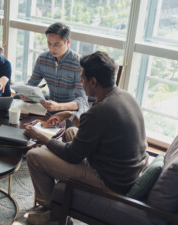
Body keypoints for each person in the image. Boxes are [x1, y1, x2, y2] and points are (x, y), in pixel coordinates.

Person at [23, 51, 149, 225]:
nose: (81, 82)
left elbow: (72, 155)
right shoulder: (124, 96)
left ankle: (51, 212)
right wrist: (70, 115)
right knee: (70, 132)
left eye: (82, 79)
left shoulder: (99, 111)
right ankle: (59, 203)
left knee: (34, 156)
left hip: (109, 180)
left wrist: (41, 137)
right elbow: (98, 129)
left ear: (93, 81)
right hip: (127, 171)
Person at [20, 22, 89, 116]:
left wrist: (59, 107)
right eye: (49, 43)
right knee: (18, 102)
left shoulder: (78, 63)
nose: (52, 48)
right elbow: (31, 85)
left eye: (57, 44)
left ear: (67, 42)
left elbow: (82, 100)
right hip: (50, 105)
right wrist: (26, 94)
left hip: (69, 110)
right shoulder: (42, 59)